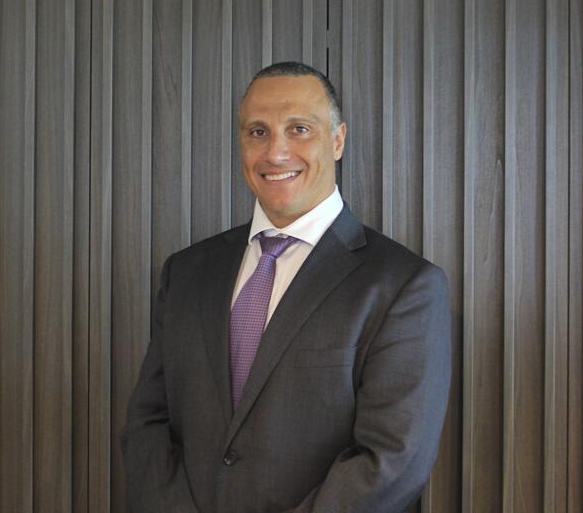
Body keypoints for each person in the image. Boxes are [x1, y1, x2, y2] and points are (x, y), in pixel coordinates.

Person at [121, 61, 452, 512]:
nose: (276, 153)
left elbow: (392, 460)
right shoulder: (187, 272)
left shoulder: (404, 286)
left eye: (299, 129)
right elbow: (148, 422)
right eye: (257, 132)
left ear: (337, 140)